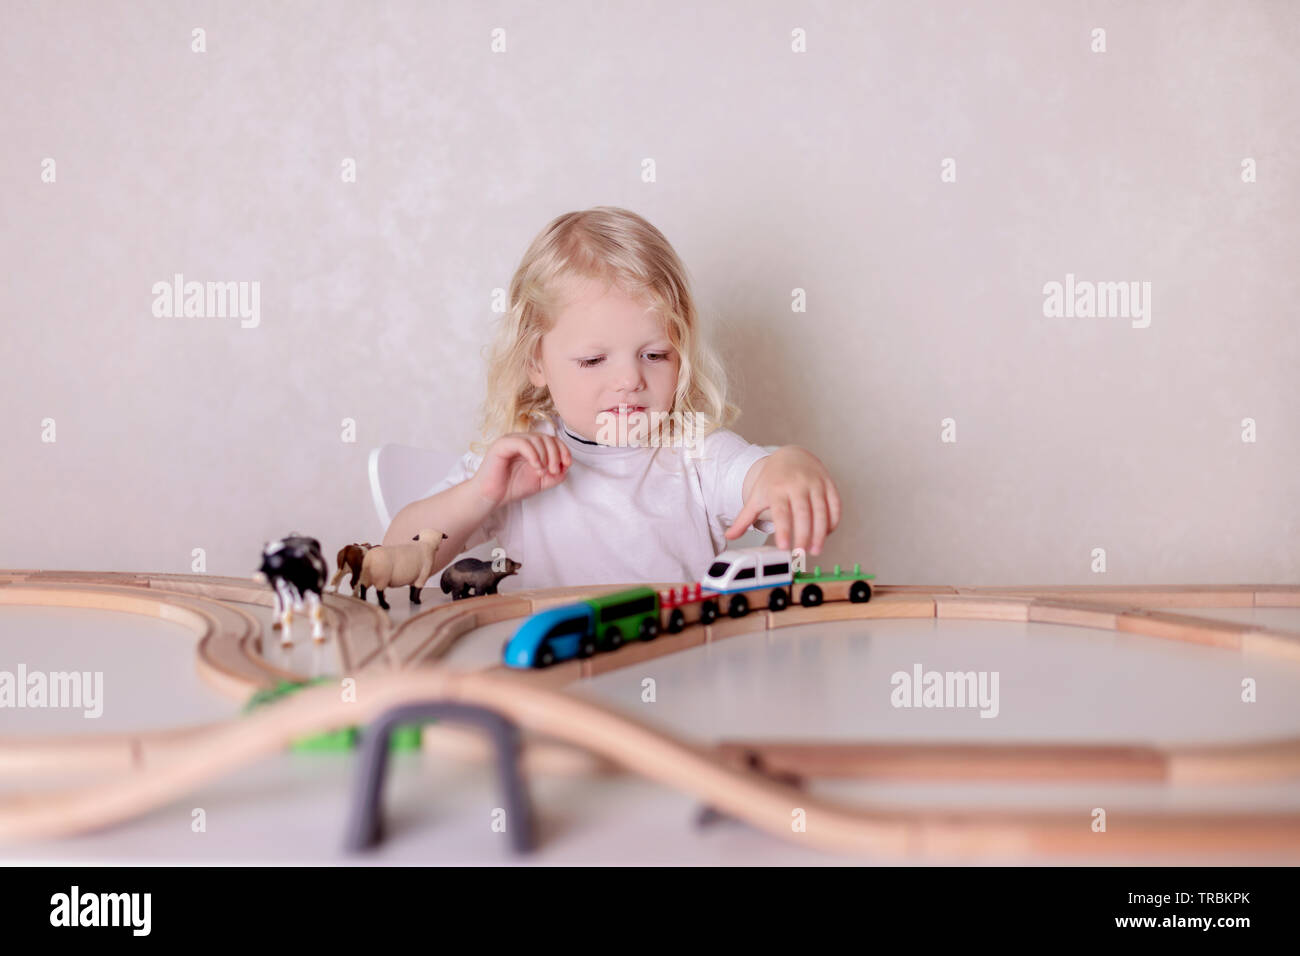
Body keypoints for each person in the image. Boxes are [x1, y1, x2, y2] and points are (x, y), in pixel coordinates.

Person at [383, 207, 841, 590]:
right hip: (557, 685)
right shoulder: (519, 462)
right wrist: (482, 494)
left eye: (655, 354)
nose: (628, 379)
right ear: (535, 362)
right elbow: (394, 556)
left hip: (684, 678)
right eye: (592, 360)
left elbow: (762, 479)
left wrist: (790, 464)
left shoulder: (697, 454)